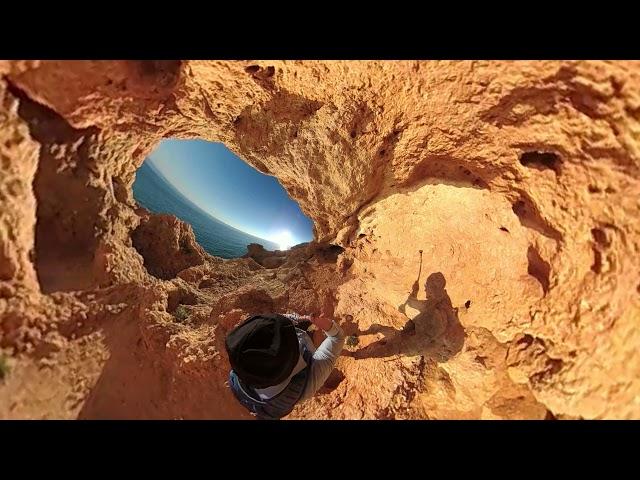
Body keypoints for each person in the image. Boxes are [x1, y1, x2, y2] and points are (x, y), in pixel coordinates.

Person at [225, 312, 345, 420]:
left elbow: (269, 323)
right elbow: (337, 337)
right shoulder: (307, 382)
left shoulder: (244, 354)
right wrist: (320, 322)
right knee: (270, 414)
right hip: (278, 404)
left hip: (242, 388)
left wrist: (296, 319)